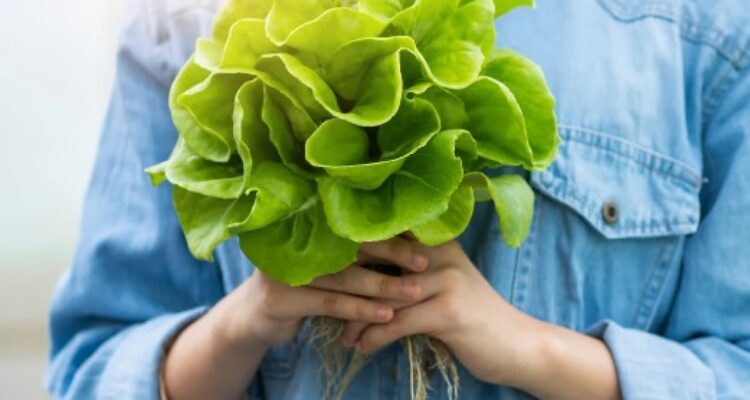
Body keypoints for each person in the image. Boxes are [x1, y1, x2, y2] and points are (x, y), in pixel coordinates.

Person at [45, 0, 750, 399]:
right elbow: (90, 369)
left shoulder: (703, 38)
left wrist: (529, 350)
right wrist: (248, 320)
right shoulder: (177, 29)